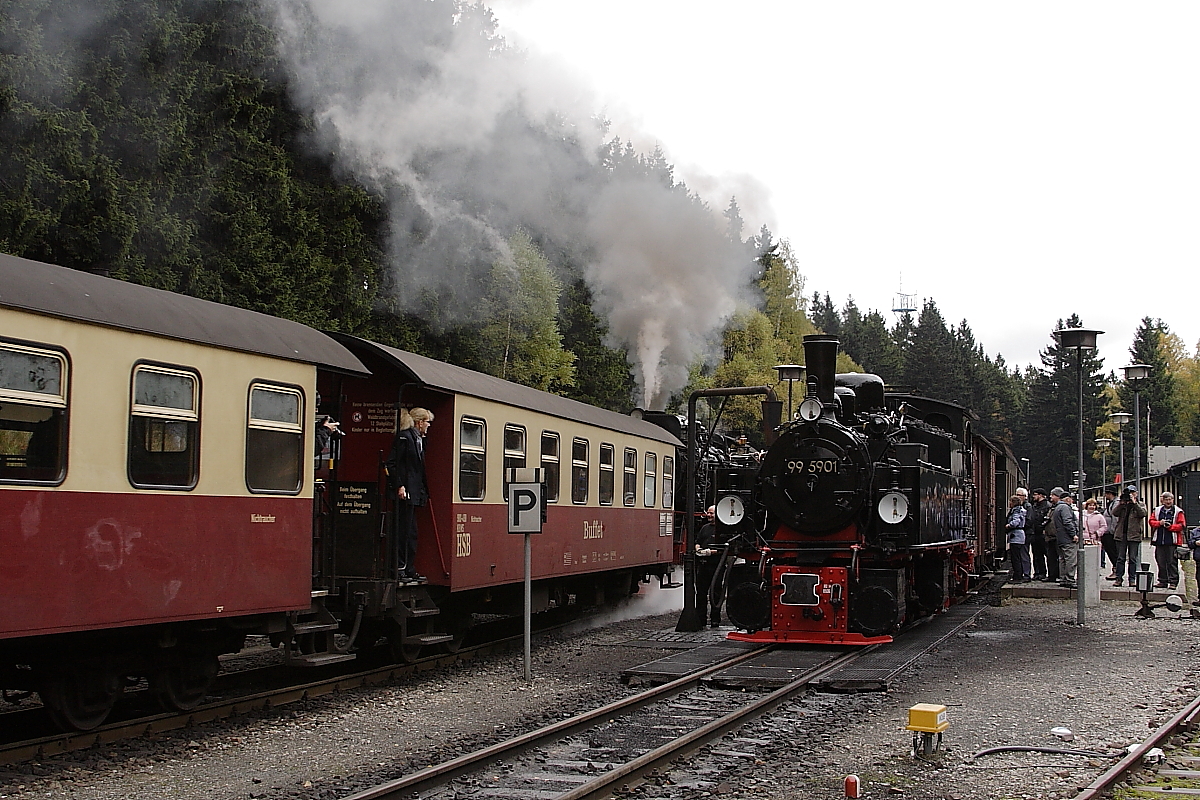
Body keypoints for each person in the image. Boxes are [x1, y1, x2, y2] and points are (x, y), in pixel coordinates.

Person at [386, 407, 433, 582]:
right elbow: (392, 464)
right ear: (420, 422)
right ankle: (399, 568)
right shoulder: (404, 438)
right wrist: (399, 486)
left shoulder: (418, 439)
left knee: (411, 532)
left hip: (414, 491)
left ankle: (409, 567)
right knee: (403, 530)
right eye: (427, 422)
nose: (429, 426)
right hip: (405, 491)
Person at [1109, 486, 1148, 587]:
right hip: (1121, 534)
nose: (1131, 494)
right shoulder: (1123, 504)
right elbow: (1114, 513)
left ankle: (1132, 579)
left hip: (1134, 535)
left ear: (1136, 493)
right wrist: (1121, 505)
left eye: (1133, 492)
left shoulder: (1141, 504)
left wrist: (1134, 503)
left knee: (1132, 558)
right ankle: (1119, 578)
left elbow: (1143, 513)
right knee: (1120, 558)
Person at [694, 505, 725, 627]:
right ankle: (701, 619)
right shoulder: (704, 528)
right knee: (701, 593)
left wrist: (710, 552)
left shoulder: (722, 530)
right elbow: (698, 541)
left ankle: (715, 619)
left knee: (715, 593)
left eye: (711, 513)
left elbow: (725, 548)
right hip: (703, 565)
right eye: (708, 513)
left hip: (716, 565)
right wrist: (698, 549)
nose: (709, 515)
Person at [1149, 491, 1186, 590]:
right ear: (1163, 500)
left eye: (1170, 499)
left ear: (1173, 500)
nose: (1168, 501)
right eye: (1166, 499)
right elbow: (1151, 522)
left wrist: (1170, 527)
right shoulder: (1157, 510)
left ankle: (1173, 581)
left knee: (1171, 562)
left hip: (1172, 541)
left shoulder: (1178, 511)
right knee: (1160, 561)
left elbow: (1181, 525)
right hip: (1159, 540)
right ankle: (1162, 580)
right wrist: (1159, 523)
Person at [1048, 487, 1079, 588]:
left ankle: (1063, 579)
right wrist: (1073, 534)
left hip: (1060, 538)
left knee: (1062, 559)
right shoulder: (1065, 507)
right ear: (1068, 499)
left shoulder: (1057, 508)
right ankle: (1069, 579)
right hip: (1067, 538)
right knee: (1070, 559)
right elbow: (1067, 522)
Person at [1027, 488, 1052, 581]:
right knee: (1036, 554)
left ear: (1041, 495)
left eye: (1035, 494)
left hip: (1043, 534)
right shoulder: (1035, 506)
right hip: (1035, 533)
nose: (1033, 496)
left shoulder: (1047, 506)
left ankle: (1048, 573)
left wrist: (1043, 528)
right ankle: (1038, 573)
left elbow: (1048, 519)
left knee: (1046, 554)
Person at [1005, 494, 1030, 582]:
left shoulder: (1016, 511)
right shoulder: (1020, 510)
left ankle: (1017, 577)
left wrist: (1009, 525)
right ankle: (1018, 575)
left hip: (1016, 536)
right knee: (1017, 557)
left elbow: (1016, 521)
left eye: (1010, 502)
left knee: (1016, 558)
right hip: (1019, 536)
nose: (1009, 503)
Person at [1101, 487, 1119, 578]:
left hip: (1111, 532)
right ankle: (1115, 569)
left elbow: (1115, 518)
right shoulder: (1111, 503)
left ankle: (1116, 570)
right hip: (1108, 531)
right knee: (1110, 551)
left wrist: (1112, 531)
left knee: (1113, 551)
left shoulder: (1115, 503)